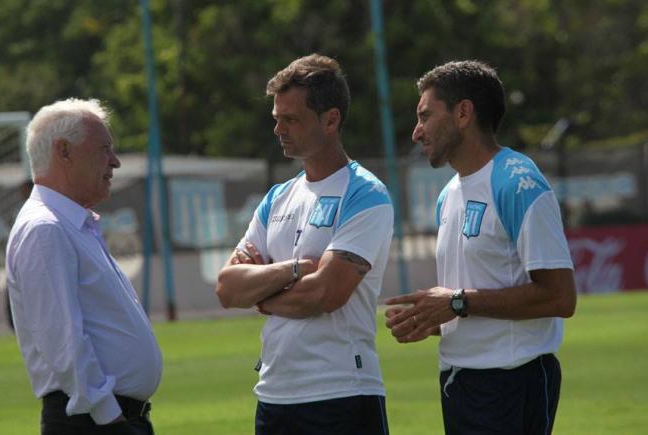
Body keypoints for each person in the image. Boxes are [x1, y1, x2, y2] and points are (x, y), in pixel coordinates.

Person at [384, 61, 576, 435]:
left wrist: (455, 302)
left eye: (425, 116)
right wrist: (434, 317)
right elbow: (473, 295)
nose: (415, 132)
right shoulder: (449, 194)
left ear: (463, 113)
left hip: (510, 383)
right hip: (461, 381)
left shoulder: (517, 182)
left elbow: (559, 298)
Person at [216, 53, 394, 435]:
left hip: (341, 393)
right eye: (277, 119)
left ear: (331, 120)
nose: (279, 129)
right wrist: (293, 270)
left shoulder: (365, 194)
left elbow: (325, 293)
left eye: (291, 119)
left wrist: (261, 294)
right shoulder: (278, 197)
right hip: (274, 395)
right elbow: (228, 288)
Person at [6, 98, 161, 435]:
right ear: (63, 151)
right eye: (104, 149)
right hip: (93, 421)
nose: (115, 162)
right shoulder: (45, 229)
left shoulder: (69, 223)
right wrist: (111, 418)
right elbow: (62, 340)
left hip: (105, 418)